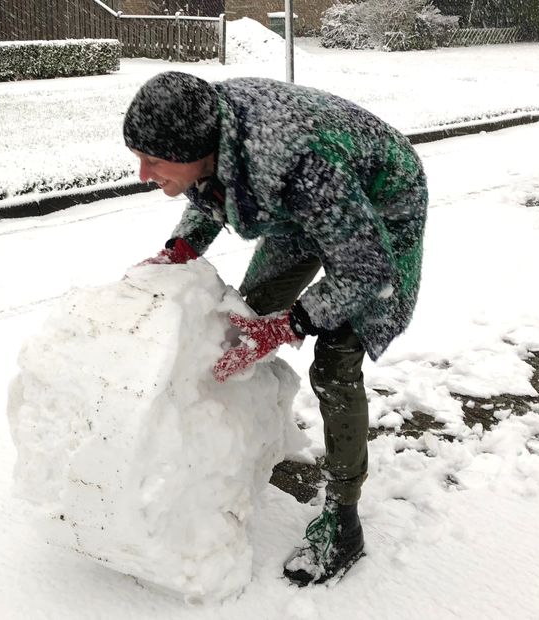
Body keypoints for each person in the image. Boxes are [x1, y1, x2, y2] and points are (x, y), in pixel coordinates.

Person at [123, 71, 427, 586]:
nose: (141, 174)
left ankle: (344, 518)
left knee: (334, 360)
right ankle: (245, 445)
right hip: (307, 205)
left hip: (379, 210)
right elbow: (211, 188)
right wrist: (181, 249)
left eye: (154, 160)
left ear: (195, 147)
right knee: (248, 317)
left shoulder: (298, 159)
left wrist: (292, 324)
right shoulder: (216, 131)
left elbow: (366, 269)